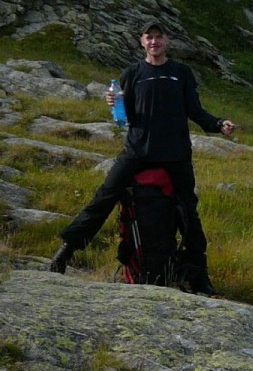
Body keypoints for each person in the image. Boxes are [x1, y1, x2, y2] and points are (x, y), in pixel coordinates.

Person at [49, 21, 236, 294]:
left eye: (159, 37)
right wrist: (115, 105)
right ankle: (66, 251)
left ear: (167, 41)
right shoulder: (132, 73)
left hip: (175, 154)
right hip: (138, 151)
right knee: (104, 197)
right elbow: (126, 118)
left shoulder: (181, 73)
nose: (154, 42)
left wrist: (219, 124)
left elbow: (195, 111)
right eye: (149, 37)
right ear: (142, 42)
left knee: (188, 212)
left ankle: (199, 275)